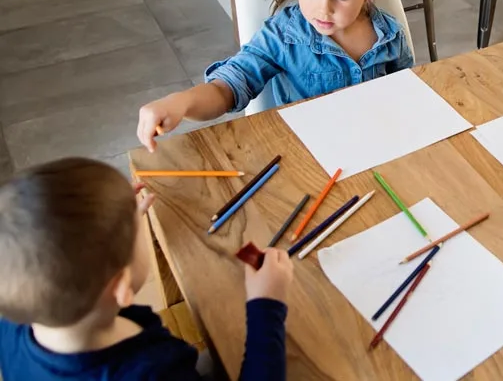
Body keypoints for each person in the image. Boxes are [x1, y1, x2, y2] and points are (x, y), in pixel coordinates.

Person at [137, 0, 414, 152]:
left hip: (375, 148)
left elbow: (406, 96)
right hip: (305, 156)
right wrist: (181, 102)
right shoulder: (283, 36)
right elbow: (228, 86)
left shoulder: (390, 36)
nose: (323, 9)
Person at [0, 158, 294, 380]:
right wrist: (266, 305)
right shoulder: (156, 370)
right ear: (122, 285)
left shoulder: (16, 322)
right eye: (137, 230)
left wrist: (114, 224)